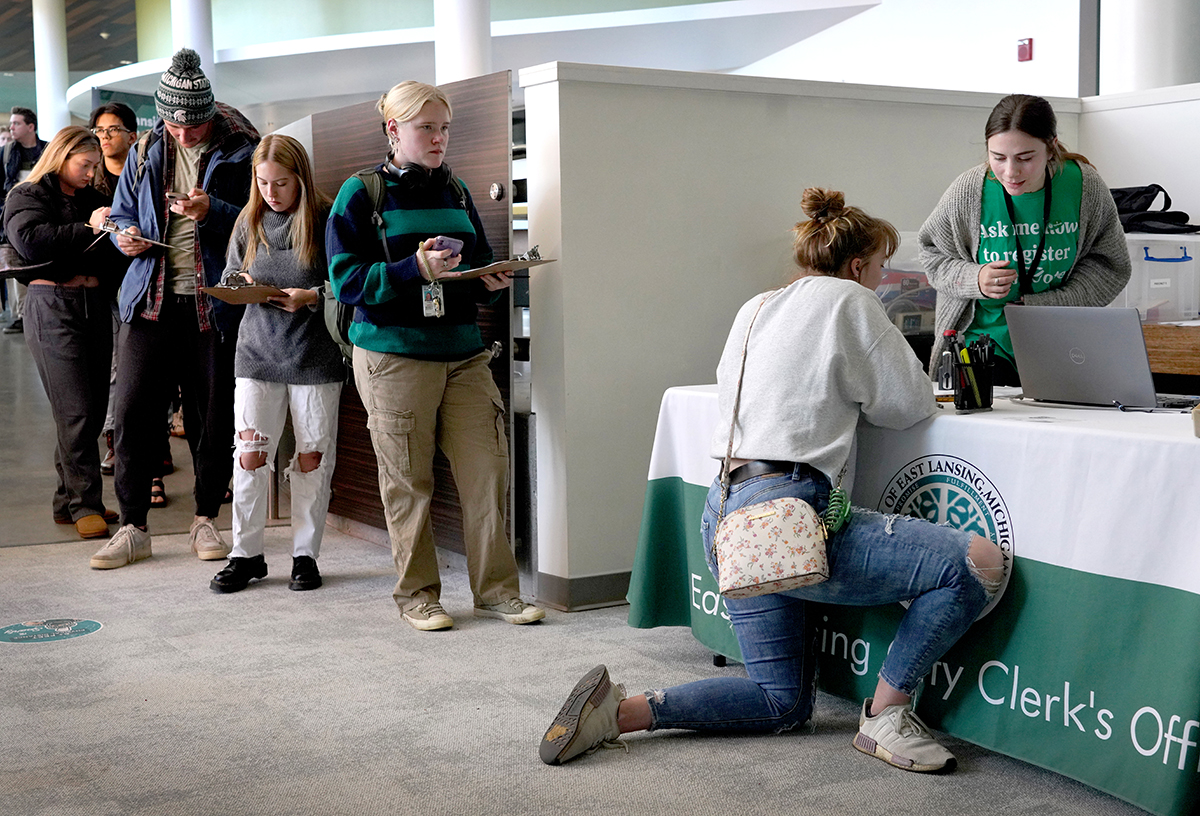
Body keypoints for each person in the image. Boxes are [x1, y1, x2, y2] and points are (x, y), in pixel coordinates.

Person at [540, 189, 1006, 772]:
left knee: (779, 701)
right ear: (858, 266)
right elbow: (909, 404)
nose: (885, 280)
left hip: (730, 517)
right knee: (978, 563)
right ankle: (886, 713)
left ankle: (618, 713)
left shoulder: (757, 306)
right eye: (883, 268)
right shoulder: (852, 302)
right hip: (790, 517)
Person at [326, 80, 544, 630]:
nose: (440, 138)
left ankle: (496, 591)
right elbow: (344, 280)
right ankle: (418, 596)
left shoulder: (458, 190)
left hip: (464, 353)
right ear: (394, 129)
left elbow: (478, 261)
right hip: (393, 357)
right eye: (427, 128)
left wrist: (486, 280)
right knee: (408, 482)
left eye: (445, 128)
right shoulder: (362, 193)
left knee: (488, 473)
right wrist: (412, 270)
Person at [90, 48, 260, 570]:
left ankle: (205, 516)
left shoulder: (243, 150)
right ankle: (133, 527)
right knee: (133, 412)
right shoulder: (144, 150)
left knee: (213, 414)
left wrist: (214, 212)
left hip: (215, 305)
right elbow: (120, 215)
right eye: (173, 124)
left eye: (194, 125)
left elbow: (263, 222)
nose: (184, 135)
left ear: (209, 113)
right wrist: (126, 237)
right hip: (149, 302)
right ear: (161, 115)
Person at [209, 134, 344, 593]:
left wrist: (312, 296)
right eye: (263, 182)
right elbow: (229, 274)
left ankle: (306, 556)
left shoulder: (327, 218)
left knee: (312, 459)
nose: (271, 192)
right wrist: (239, 283)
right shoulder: (249, 220)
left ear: (301, 178)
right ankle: (244, 556)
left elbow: (347, 284)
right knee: (249, 458)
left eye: (281, 183)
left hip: (315, 355)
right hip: (256, 354)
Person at [919, 93, 1130, 385]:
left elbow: (1111, 265)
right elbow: (932, 255)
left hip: (1059, 341)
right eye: (998, 158)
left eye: (1025, 158)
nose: (1010, 171)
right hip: (981, 346)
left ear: (1051, 147)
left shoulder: (1084, 185)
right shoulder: (969, 190)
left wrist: (1047, 303)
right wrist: (974, 278)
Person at [2, 126, 125, 540]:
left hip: (93, 305)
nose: (91, 173)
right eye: (84, 165)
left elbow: (111, 251)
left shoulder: (93, 198)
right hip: (52, 306)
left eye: (94, 166)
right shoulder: (29, 194)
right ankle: (85, 503)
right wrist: (89, 230)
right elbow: (32, 241)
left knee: (89, 407)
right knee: (75, 410)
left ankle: (66, 499)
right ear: (62, 155)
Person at [88, 102, 138, 479]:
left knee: (142, 366)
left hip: (142, 278)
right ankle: (115, 442)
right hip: (103, 284)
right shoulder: (90, 182)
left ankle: (150, 443)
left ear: (132, 135)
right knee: (113, 367)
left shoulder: (143, 176)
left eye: (112, 130)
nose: (105, 138)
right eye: (99, 132)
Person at [2, 106, 49, 335]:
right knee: (14, 266)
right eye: (11, 124)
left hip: (43, 215)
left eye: (16, 123)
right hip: (12, 216)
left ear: (31, 126)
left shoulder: (47, 150)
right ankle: (20, 315)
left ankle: (39, 310)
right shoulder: (6, 153)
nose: (12, 127)